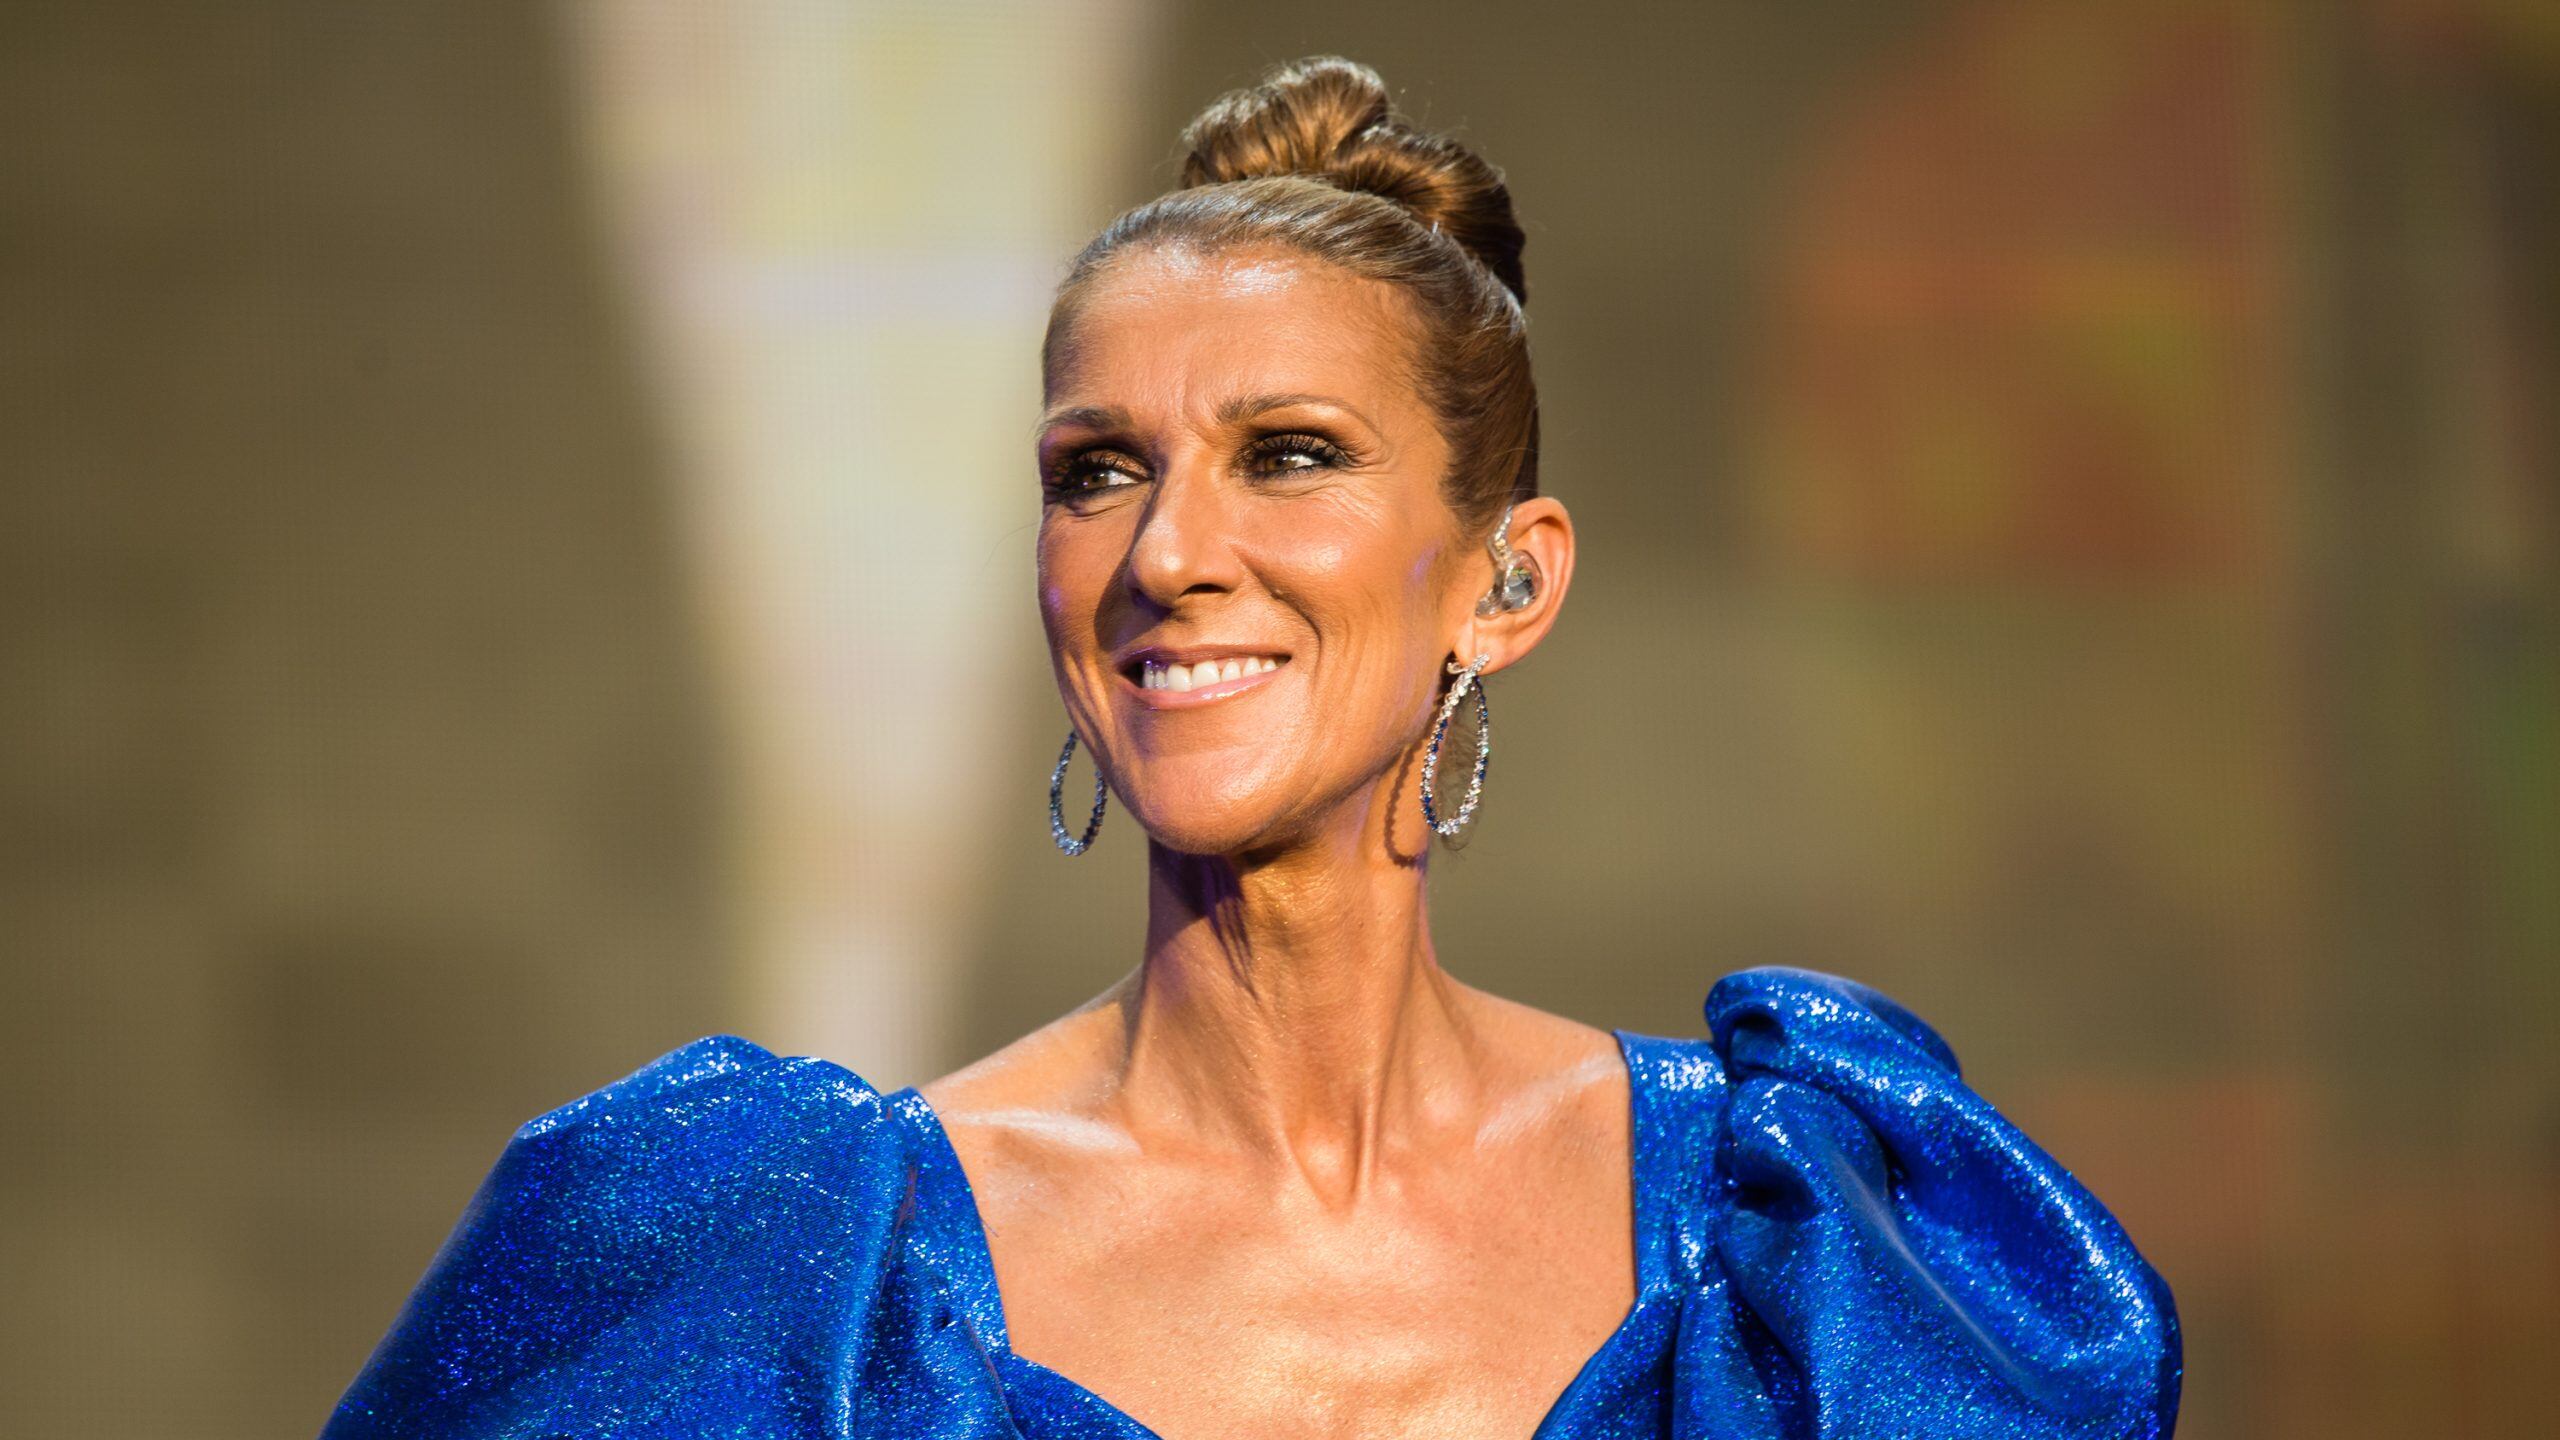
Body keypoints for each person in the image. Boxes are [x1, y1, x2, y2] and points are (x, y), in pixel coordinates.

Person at [323, 57, 2180, 1440]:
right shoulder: (785, 1270)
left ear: (1508, 583)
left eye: (1287, 455)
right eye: (1096, 472)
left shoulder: (1802, 1246)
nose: (1167, 552)